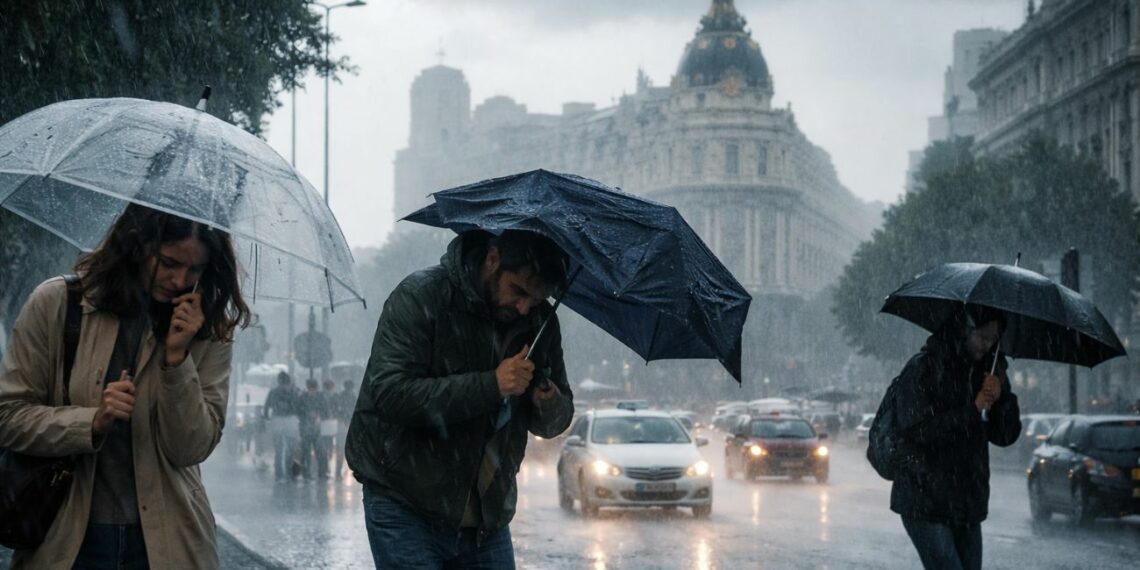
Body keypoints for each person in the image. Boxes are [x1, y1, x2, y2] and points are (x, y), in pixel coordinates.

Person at [0, 203, 250, 569]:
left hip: (165, 545)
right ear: (137, 245)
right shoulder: (57, 304)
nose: (180, 281)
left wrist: (177, 360)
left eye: (194, 269)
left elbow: (190, 448)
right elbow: (8, 416)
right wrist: (91, 421)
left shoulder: (207, 329)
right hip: (67, 540)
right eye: (168, 263)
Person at [345, 229, 574, 569]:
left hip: (486, 515)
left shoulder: (540, 323)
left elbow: (556, 420)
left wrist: (548, 401)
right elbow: (391, 393)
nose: (524, 307)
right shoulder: (422, 296)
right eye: (518, 291)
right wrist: (491, 385)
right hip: (405, 499)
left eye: (536, 299)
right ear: (491, 259)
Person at [891, 305, 1021, 570]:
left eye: (993, 340)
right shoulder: (924, 368)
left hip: (967, 503)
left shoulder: (988, 373)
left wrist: (1002, 396)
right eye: (982, 337)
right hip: (924, 499)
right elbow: (918, 431)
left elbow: (1004, 436)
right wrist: (972, 409)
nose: (986, 346)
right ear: (964, 329)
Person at [264, 371, 300, 482]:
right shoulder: (294, 392)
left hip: (277, 420)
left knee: (279, 450)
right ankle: (289, 474)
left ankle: (279, 475)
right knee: (290, 449)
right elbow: (298, 407)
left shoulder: (273, 392)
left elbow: (267, 407)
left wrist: (267, 418)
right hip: (290, 421)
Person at [296, 378, 329, 481]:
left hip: (317, 429)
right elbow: (297, 411)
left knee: (321, 452)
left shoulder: (320, 397)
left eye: (313, 389)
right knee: (306, 452)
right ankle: (307, 473)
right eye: (310, 389)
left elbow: (326, 412)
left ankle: (322, 473)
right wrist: (307, 416)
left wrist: (319, 416)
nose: (312, 392)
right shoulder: (302, 397)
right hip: (305, 429)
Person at [333, 380, 357, 480]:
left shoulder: (340, 397)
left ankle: (338, 471)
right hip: (349, 425)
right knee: (351, 449)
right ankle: (353, 470)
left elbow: (338, 411)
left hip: (342, 425)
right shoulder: (354, 397)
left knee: (340, 449)